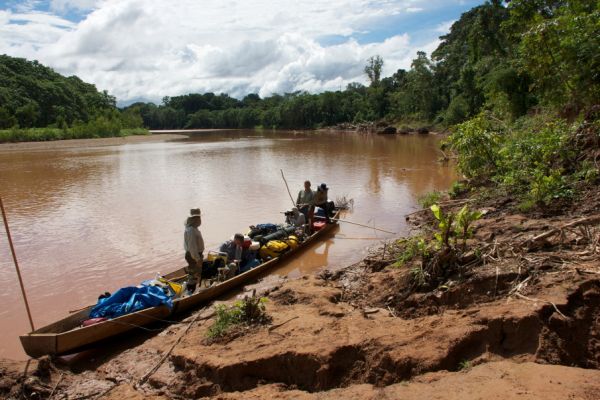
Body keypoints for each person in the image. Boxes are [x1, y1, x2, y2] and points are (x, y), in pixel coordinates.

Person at [183, 208, 204, 293]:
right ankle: (190, 292)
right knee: (194, 275)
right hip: (193, 255)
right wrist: (197, 258)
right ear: (194, 219)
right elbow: (192, 247)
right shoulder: (191, 230)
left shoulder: (192, 228)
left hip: (193, 255)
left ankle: (192, 291)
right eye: (199, 218)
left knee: (194, 274)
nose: (200, 220)